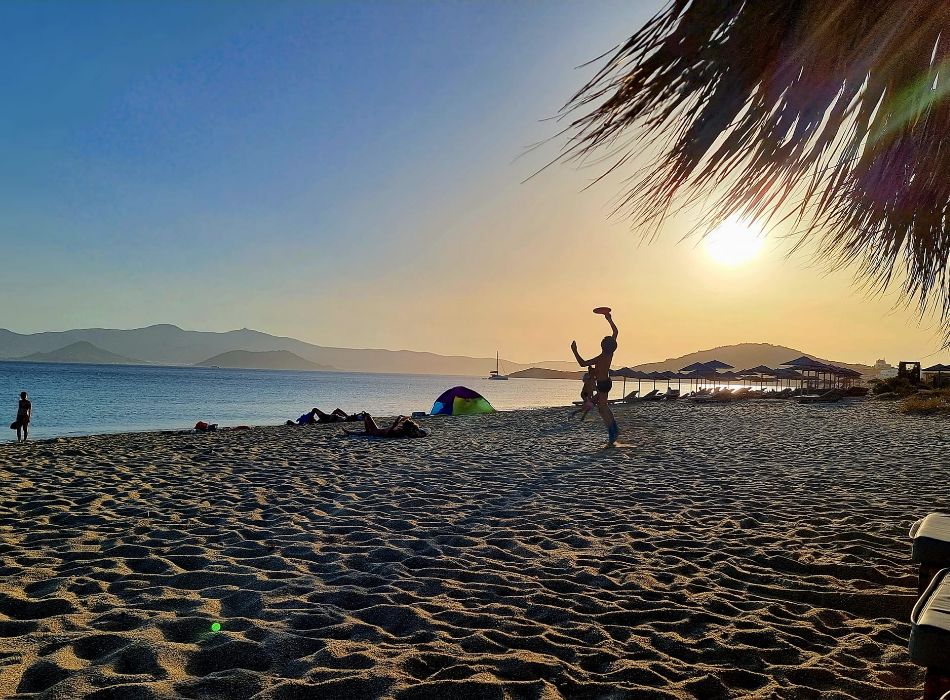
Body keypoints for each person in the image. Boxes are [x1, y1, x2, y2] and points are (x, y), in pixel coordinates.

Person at [571, 312, 619, 445]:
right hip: (607, 382)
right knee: (603, 407)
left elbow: (582, 363)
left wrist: (574, 350)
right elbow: (615, 331)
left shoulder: (601, 357)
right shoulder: (610, 354)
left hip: (603, 384)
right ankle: (613, 429)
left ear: (602, 346)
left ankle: (613, 433)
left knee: (602, 409)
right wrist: (608, 318)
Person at [343, 413, 428, 439]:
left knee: (367, 416)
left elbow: (391, 428)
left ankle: (366, 431)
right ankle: (366, 432)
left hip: (376, 432)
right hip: (377, 431)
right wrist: (404, 418)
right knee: (363, 432)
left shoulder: (398, 431)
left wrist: (398, 418)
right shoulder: (403, 430)